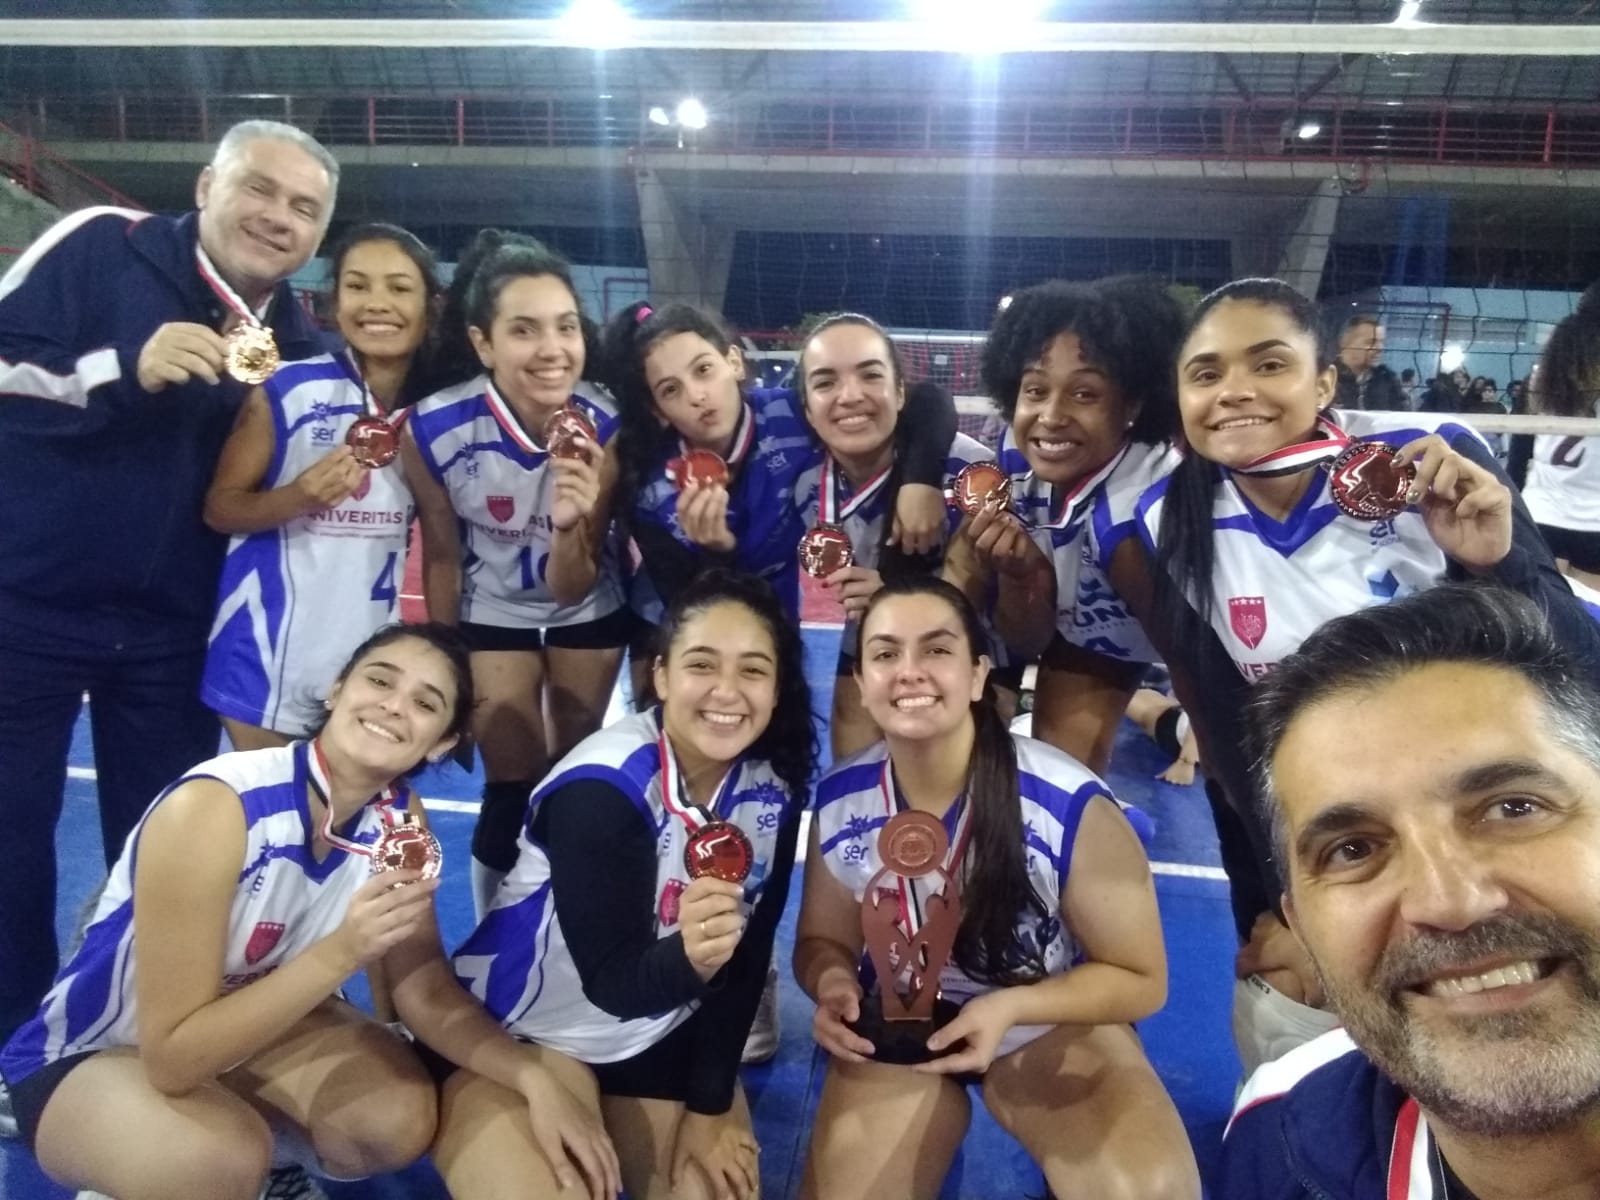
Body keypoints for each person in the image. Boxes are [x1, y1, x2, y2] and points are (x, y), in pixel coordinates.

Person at [1135, 277, 1600, 1080]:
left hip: (1499, 827)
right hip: (1349, 848)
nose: (1235, 391)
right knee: (1294, 1024)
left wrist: (1494, 560)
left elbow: (1575, 680)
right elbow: (1237, 753)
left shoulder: (1432, 458)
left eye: (1268, 364)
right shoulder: (1164, 524)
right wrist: (1283, 911)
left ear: (1324, 382)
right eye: (1205, 374)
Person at [0, 623, 620, 1200]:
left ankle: (232, 1153)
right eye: (380, 679)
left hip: (241, 1033)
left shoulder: (400, 823)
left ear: (445, 742)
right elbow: (171, 1057)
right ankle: (138, 1166)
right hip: (96, 1049)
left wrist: (533, 1078)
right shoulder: (219, 806)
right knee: (218, 1157)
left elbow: (423, 987)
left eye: (426, 703)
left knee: (396, 1118)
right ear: (337, 688)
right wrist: (344, 951)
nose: (394, 705)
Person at [0, 119, 336, 1104]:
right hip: (27, 607)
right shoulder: (103, 244)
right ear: (206, 184)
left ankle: (148, 1047)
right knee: (7, 842)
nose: (277, 216)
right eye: (260, 189)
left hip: (173, 637)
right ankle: (18, 1059)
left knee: (170, 856)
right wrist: (118, 370)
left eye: (303, 207)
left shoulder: (296, 343)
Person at [794, 577, 1199, 1200]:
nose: (909, 672)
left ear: (979, 674)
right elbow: (822, 939)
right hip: (903, 1022)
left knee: (1152, 1192)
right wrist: (833, 982)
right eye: (884, 653)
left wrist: (1010, 1007)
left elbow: (1142, 978)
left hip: (1044, 1014)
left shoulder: (1068, 803)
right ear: (863, 682)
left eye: (936, 650)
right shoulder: (841, 800)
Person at [438, 570, 814, 1200]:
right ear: (660, 676)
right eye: (702, 664)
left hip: (658, 1027)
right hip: (529, 1029)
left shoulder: (772, 783)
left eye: (753, 670)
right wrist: (696, 955)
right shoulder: (602, 790)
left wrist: (709, 1103)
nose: (727, 690)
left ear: (778, 690)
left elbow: (749, 957)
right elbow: (613, 983)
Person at [1222, 584, 1600, 1200]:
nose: (1448, 902)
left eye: (1513, 808)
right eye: (1353, 849)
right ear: (1302, 929)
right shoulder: (1280, 1141)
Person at [403, 229, 631, 918]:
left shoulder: (607, 422)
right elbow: (442, 556)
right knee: (510, 779)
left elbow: (576, 581)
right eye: (524, 330)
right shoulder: (433, 428)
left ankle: (573, 930)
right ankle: (491, 934)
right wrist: (446, 671)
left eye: (566, 327)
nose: (552, 349)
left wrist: (569, 522)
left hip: (583, 604)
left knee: (575, 775)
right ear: (482, 343)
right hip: (491, 608)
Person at [202, 223, 442, 750]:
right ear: (333, 303)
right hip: (269, 655)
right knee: (275, 817)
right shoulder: (285, 388)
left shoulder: (437, 414)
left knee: (341, 820)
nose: (377, 303)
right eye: (358, 286)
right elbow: (220, 508)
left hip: (369, 657)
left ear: (430, 309)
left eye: (399, 288)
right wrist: (298, 497)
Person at [595, 302, 955, 650]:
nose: (696, 395)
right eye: (670, 390)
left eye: (703, 369)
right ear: (658, 409)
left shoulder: (791, 412)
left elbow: (927, 400)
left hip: (815, 626)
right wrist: (717, 553)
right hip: (728, 635)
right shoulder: (654, 493)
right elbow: (693, 610)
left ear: (733, 361)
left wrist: (920, 479)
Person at [949, 276, 1185, 775]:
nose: (1050, 416)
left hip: (1125, 633)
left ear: (1133, 405)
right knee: (999, 759)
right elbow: (1029, 638)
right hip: (1069, 618)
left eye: (1084, 393)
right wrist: (1021, 576)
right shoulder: (1015, 454)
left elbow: (1197, 659)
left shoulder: (1139, 524)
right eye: (1035, 389)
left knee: (1065, 779)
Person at [790, 311, 999, 758]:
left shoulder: (969, 474)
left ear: (901, 391)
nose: (850, 396)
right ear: (807, 409)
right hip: (865, 656)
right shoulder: (807, 486)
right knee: (860, 790)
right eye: (825, 383)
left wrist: (892, 600)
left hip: (966, 665)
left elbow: (982, 603)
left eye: (870, 375)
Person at [1520, 284, 1600, 592]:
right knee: (1588, 623)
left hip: (1539, 515)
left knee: (1542, 618)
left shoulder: (1544, 373)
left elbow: (1521, 444)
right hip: (1593, 522)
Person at [1333, 314, 1406, 411]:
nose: (1380, 348)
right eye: (1371, 342)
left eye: (1381, 342)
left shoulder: (1388, 380)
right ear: (1345, 343)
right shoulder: (1326, 376)